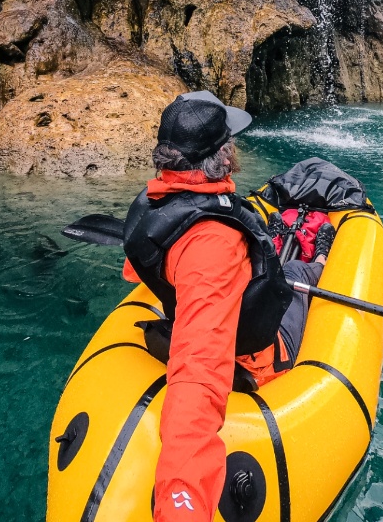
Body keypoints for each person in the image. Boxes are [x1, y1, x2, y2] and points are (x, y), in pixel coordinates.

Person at [121, 91, 333, 521]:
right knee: (300, 275)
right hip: (251, 355)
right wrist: (182, 502)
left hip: (195, 308)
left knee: (274, 263)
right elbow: (199, 371)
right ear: (223, 155)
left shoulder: (154, 204)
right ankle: (325, 258)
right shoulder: (212, 245)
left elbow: (139, 274)